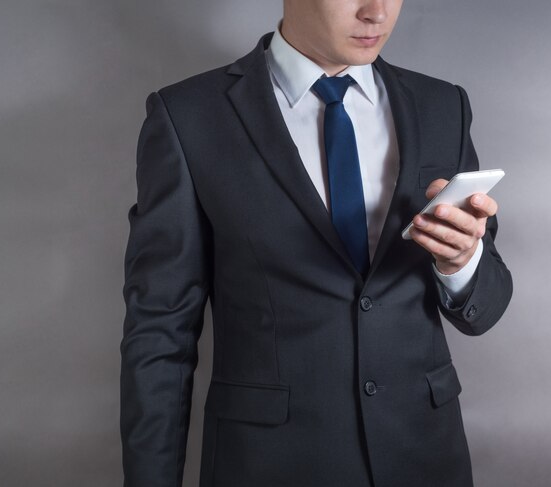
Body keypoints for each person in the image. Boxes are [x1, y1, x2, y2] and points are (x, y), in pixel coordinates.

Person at [120, 0, 513, 486]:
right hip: (268, 462)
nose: (377, 12)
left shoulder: (443, 105)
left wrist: (462, 262)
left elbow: (487, 307)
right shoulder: (188, 116)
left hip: (425, 456)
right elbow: (160, 332)